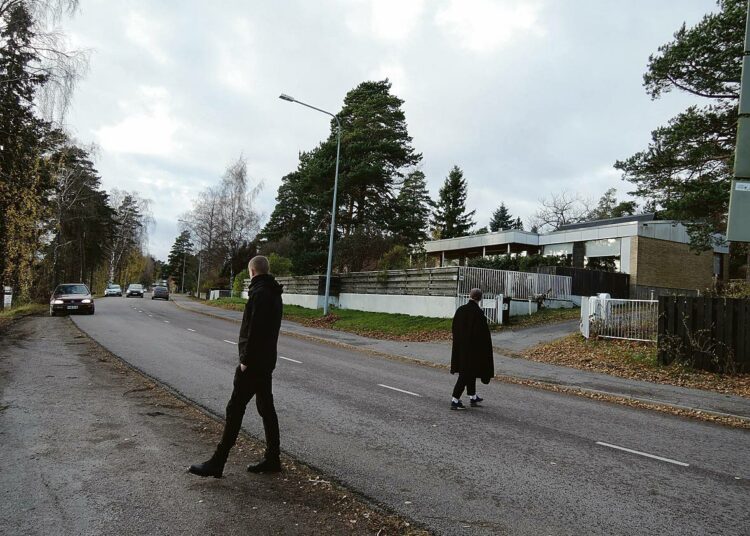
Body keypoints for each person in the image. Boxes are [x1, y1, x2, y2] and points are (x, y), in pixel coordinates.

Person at [189, 255, 284, 477]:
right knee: (266, 409)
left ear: (252, 272)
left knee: (235, 409)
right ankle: (273, 458)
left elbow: (255, 331)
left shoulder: (259, 294)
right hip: (267, 361)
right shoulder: (274, 293)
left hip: (253, 364)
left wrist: (245, 361)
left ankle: (217, 462)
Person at [450, 288, 494, 410]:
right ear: (480, 298)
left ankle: (472, 396)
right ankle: (455, 400)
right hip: (473, 350)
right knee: (465, 374)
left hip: (460, 348)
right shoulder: (478, 313)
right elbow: (483, 335)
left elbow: (454, 328)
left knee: (470, 372)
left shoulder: (460, 310)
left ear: (470, 296)